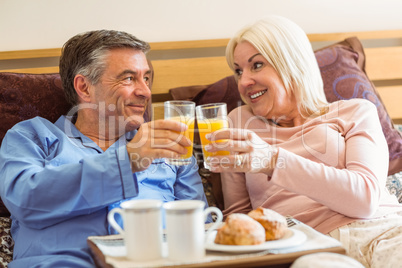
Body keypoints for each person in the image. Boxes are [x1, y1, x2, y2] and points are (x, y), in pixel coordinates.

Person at [0, 30, 209, 267]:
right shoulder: (32, 136)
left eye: (147, 78)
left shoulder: (168, 146)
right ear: (85, 87)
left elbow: (199, 228)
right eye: (129, 78)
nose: (146, 92)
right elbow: (25, 200)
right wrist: (127, 161)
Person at [205, 15, 402, 267]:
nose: (244, 82)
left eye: (256, 65)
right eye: (238, 71)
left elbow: (364, 199)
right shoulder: (239, 122)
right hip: (309, 249)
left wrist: (273, 160)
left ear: (290, 63)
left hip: (385, 231)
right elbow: (240, 219)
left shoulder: (356, 111)